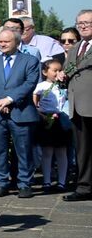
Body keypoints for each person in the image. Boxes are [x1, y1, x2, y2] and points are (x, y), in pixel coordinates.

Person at [0, 26, 41, 198]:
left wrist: (9, 99)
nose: (2, 44)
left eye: (7, 41)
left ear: (17, 41)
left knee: (23, 151)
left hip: (20, 113)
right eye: (0, 41)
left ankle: (24, 184)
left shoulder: (30, 61)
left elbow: (29, 83)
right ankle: (1, 183)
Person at [34, 59, 72, 193]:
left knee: (61, 152)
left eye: (60, 70)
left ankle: (62, 181)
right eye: (54, 70)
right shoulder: (41, 86)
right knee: (47, 152)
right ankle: (47, 181)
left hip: (61, 120)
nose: (58, 73)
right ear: (45, 72)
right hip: (47, 120)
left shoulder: (63, 85)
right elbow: (36, 101)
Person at [66, 11, 92, 202]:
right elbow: (68, 69)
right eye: (80, 23)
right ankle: (85, 187)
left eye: (87, 23)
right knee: (83, 148)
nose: (82, 26)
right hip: (77, 105)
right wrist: (61, 76)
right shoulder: (76, 47)